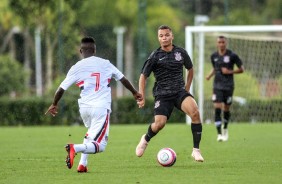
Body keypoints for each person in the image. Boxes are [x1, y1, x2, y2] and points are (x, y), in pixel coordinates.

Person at [45, 36, 142, 172]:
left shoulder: (76, 67)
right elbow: (122, 78)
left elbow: (61, 88)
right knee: (100, 145)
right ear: (94, 50)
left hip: (84, 108)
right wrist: (134, 92)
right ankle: (75, 148)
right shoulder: (105, 63)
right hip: (101, 107)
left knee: (90, 135)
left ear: (81, 51)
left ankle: (82, 165)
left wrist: (54, 104)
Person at [135, 25, 204, 162]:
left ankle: (196, 150)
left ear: (172, 36)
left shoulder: (181, 52)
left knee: (195, 113)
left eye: (166, 35)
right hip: (162, 94)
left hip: (179, 92)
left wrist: (187, 88)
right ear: (158, 38)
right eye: (161, 36)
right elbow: (143, 76)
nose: (164, 38)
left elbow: (190, 69)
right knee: (159, 124)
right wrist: (141, 96)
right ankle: (146, 138)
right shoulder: (155, 56)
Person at [206, 36, 244, 142]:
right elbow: (215, 68)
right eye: (219, 42)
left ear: (226, 43)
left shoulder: (232, 55)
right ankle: (219, 134)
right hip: (217, 86)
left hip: (228, 86)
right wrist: (209, 76)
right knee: (217, 108)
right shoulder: (213, 56)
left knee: (226, 109)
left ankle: (225, 128)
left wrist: (230, 72)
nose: (221, 44)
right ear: (217, 43)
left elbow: (242, 69)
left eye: (223, 42)